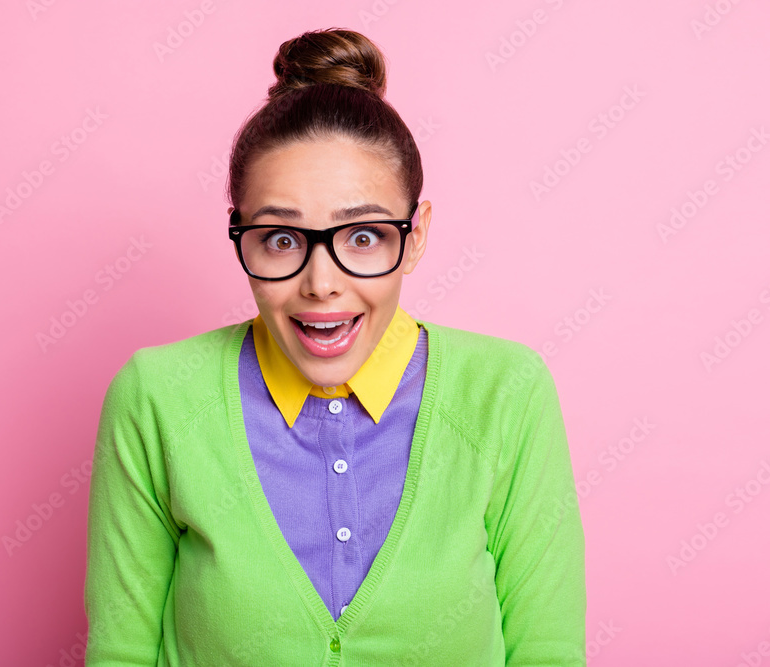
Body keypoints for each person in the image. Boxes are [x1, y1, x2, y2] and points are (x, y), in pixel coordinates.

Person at [84, 27, 586, 666]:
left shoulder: (506, 392)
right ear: (240, 233)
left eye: (364, 237)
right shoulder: (156, 397)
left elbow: (549, 653)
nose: (322, 285)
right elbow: (120, 655)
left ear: (417, 234)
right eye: (282, 240)